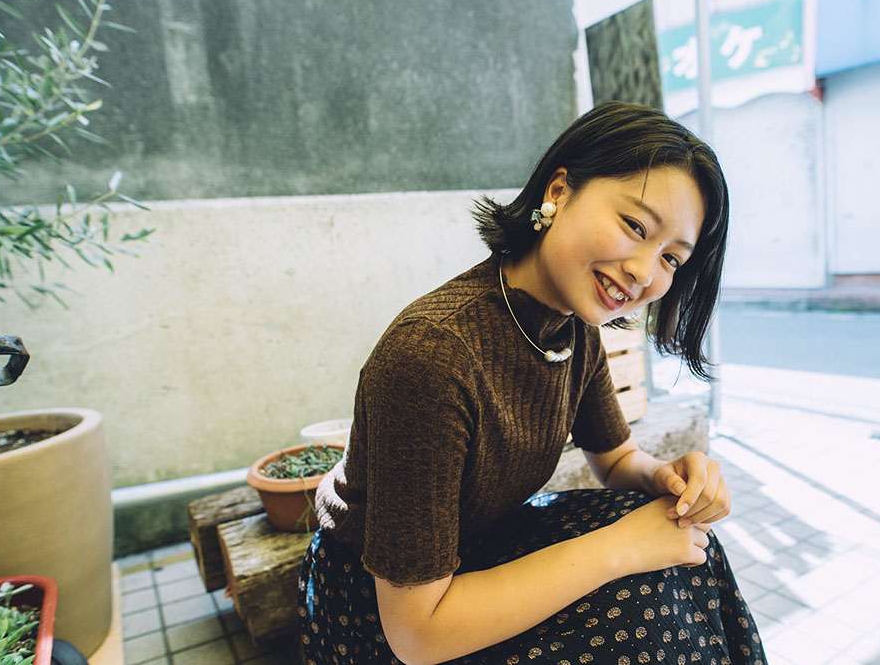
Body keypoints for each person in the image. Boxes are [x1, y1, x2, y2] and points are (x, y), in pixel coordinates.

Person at [300, 101, 765, 665]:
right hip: (381, 608)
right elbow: (416, 634)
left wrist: (670, 478)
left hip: (482, 544)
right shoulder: (431, 357)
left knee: (686, 547)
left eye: (671, 258)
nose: (645, 272)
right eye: (635, 226)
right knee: (647, 613)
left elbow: (616, 460)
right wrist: (620, 548)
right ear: (559, 191)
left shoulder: (573, 327)